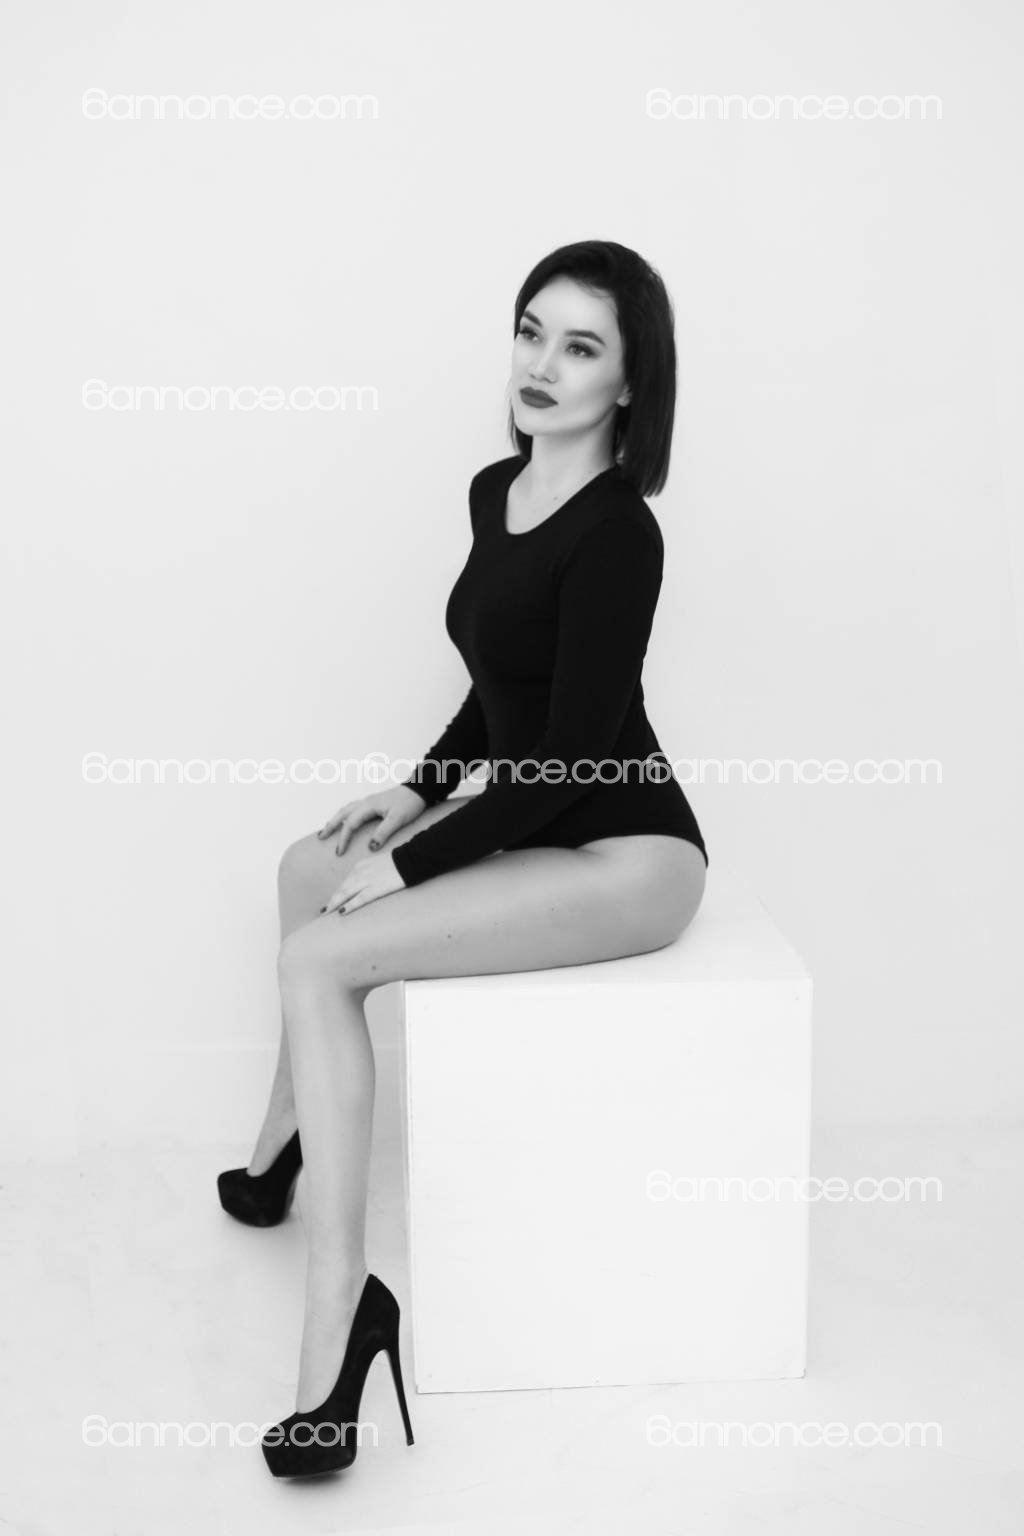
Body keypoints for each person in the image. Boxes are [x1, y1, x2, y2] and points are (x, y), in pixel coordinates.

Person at [217, 239, 709, 1478]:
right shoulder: (499, 489)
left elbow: (573, 760)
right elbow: (505, 692)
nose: (541, 364)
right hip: (540, 813)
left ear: (630, 383)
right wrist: (416, 792)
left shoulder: (621, 535)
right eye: (531, 330)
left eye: (580, 347)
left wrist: (418, 865)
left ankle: (340, 1322)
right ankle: (282, 1148)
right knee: (304, 870)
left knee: (324, 957)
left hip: (627, 851)